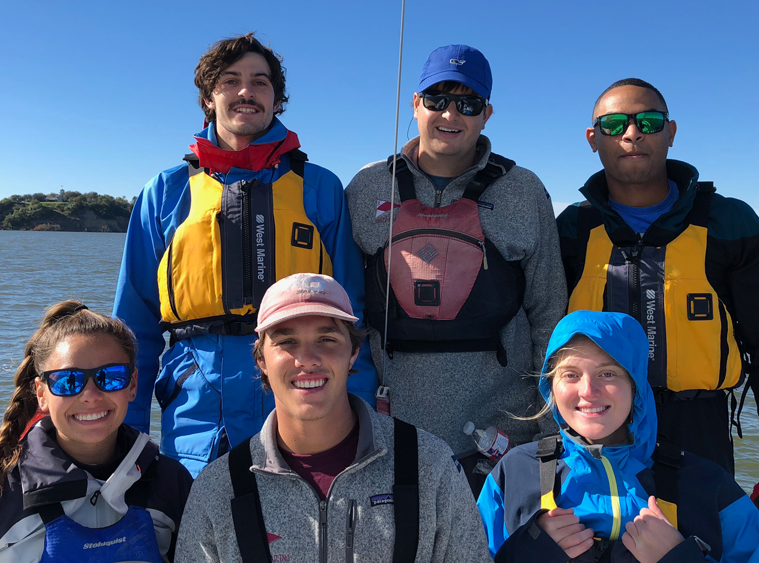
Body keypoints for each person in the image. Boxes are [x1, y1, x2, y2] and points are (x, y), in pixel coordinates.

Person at [113, 33, 376, 476]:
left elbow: (353, 318)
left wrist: (363, 416)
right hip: (193, 410)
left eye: (260, 82)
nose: (245, 92)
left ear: (277, 99)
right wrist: (126, 435)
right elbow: (133, 328)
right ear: (208, 98)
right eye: (230, 81)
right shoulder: (165, 191)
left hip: (300, 394)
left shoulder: (321, 187)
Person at [556, 78, 759, 535]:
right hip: (591, 433)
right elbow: (539, 337)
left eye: (648, 121)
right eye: (613, 124)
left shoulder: (729, 223)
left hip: (700, 434)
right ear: (593, 139)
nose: (632, 133)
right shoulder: (571, 230)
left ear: (670, 132)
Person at [345, 44, 567, 493]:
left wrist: (552, 427)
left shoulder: (524, 190)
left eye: (468, 104)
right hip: (389, 431)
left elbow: (550, 313)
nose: (451, 114)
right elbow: (346, 312)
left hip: (503, 436)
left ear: (487, 114)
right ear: (415, 104)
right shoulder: (367, 186)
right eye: (437, 99)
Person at [176, 273, 492, 563]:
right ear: (261, 359)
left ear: (353, 351)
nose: (307, 360)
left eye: (327, 339)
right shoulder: (219, 489)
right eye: (287, 342)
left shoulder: (429, 466)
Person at [477, 310, 759, 563]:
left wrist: (679, 557)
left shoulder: (709, 488)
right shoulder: (512, 475)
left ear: (636, 387)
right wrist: (525, 553)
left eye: (608, 374)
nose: (588, 391)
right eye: (570, 375)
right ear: (550, 386)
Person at [0, 301, 192, 563]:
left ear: (132, 384)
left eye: (110, 377)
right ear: (41, 394)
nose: (91, 395)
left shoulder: (172, 484)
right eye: (68, 381)